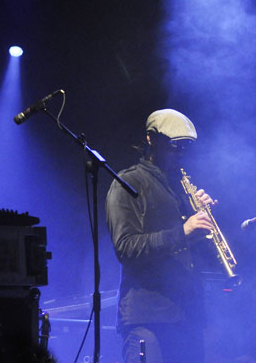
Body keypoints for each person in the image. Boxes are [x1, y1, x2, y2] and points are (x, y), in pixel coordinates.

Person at [106, 108, 216, 363]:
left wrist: (201, 223)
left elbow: (189, 254)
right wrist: (184, 231)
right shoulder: (127, 183)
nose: (179, 153)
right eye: (173, 146)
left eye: (184, 147)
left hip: (187, 316)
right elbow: (126, 248)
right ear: (151, 139)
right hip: (148, 318)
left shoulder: (179, 189)